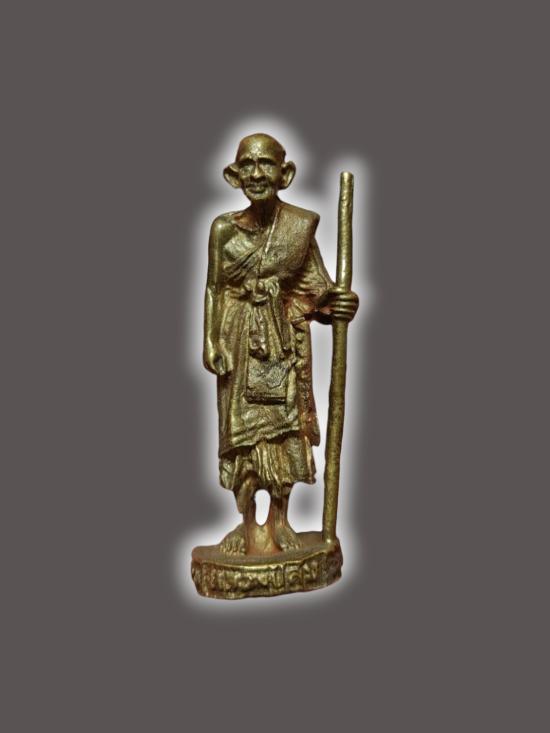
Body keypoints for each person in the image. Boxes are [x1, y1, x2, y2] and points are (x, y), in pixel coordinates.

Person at [203, 133, 358, 555]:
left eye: (266, 164)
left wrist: (341, 303)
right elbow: (215, 287)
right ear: (234, 176)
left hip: (284, 344)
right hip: (238, 341)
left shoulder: (299, 228)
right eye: (247, 165)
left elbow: (317, 290)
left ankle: (280, 520)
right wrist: (210, 342)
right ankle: (246, 526)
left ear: (285, 174)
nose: (256, 174)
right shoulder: (223, 230)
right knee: (242, 435)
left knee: (285, 430)